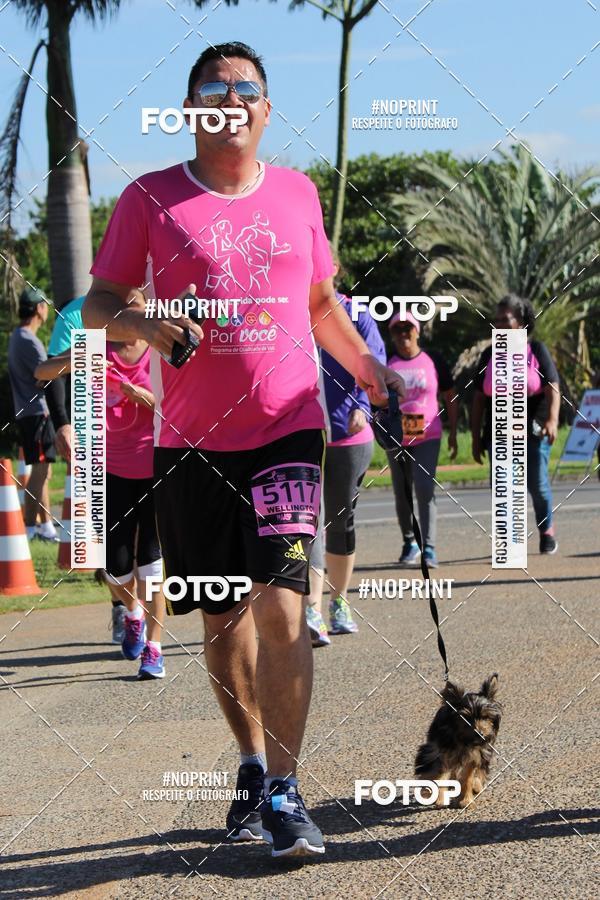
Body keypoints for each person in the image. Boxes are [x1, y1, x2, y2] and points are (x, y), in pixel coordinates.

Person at [83, 41, 404, 859]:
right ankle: (253, 765)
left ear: (265, 110)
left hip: (287, 429)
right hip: (189, 445)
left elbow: (321, 304)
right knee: (223, 618)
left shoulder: (298, 194)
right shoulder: (149, 198)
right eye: (213, 87)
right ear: (190, 109)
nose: (232, 99)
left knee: (284, 604)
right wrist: (145, 323)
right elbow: (97, 305)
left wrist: (366, 366)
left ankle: (289, 792)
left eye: (247, 88)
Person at [35, 298, 166, 672]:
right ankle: (132, 612)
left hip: (155, 465)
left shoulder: (159, 347)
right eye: (122, 306)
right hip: (107, 467)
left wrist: (147, 399)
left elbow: (183, 408)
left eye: (137, 304)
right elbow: (42, 372)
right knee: (115, 567)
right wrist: (74, 359)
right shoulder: (95, 346)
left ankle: (154, 648)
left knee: (152, 563)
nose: (130, 312)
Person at [305, 253, 386, 646]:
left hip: (348, 436)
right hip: (303, 434)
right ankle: (312, 611)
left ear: (334, 268)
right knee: (307, 523)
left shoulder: (357, 314)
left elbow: (374, 360)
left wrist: (363, 406)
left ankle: (339, 602)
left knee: (340, 521)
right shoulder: (290, 314)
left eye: (321, 262)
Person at [471, 294, 560, 554]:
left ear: (521, 323)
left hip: (532, 431)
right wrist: (475, 438)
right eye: (496, 320)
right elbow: (478, 398)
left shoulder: (536, 350)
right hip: (498, 433)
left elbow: (553, 387)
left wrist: (553, 419)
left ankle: (546, 530)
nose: (499, 324)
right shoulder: (490, 354)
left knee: (537, 486)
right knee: (503, 487)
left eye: (505, 319)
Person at [386, 311, 458, 569]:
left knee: (425, 488)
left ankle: (429, 547)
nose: (403, 334)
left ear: (417, 331)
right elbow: (375, 397)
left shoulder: (433, 359)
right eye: (397, 330)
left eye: (408, 328)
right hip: (397, 437)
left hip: (429, 434)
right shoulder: (386, 361)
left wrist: (453, 431)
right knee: (402, 492)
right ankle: (410, 541)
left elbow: (450, 395)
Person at [8, 288, 58, 542]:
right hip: (38, 412)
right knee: (40, 472)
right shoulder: (28, 340)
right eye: (45, 305)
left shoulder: (17, 336)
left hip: (29, 413)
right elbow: (44, 375)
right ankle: (28, 528)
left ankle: (46, 527)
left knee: (43, 471)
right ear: (39, 308)